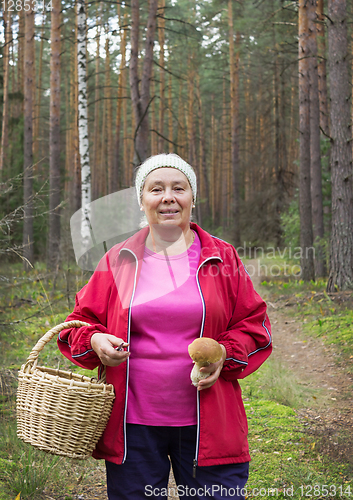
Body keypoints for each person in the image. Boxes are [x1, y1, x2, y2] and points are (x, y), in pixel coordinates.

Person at [58, 153, 272, 500]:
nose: (168, 197)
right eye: (156, 189)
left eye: (179, 188)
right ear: (142, 201)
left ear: (192, 198)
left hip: (210, 425)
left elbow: (254, 324)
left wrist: (224, 355)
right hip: (134, 427)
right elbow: (76, 325)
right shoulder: (118, 259)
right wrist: (95, 338)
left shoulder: (222, 256)